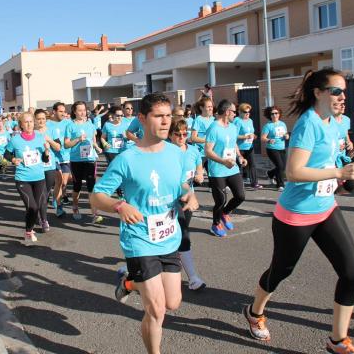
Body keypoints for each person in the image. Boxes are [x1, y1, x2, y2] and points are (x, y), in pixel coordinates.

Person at [243, 69, 354, 354]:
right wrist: (338, 170)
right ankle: (254, 311)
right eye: (336, 91)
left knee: (352, 273)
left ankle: (337, 341)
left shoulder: (335, 123)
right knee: (280, 272)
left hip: (325, 208)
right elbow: (294, 171)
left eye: (344, 91)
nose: (342, 96)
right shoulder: (308, 124)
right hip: (296, 213)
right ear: (318, 92)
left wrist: (344, 178)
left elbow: (332, 161)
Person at [90, 93, 199, 354]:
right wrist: (120, 205)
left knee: (173, 302)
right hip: (139, 240)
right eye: (158, 116)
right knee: (156, 309)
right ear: (142, 118)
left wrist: (189, 193)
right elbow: (96, 196)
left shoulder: (176, 153)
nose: (165, 122)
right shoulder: (127, 159)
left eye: (168, 116)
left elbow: (181, 183)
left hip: (169, 235)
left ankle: (130, 282)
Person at [169, 117, 205, 290]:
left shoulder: (193, 150)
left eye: (185, 134)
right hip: (170, 200)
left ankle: (136, 268)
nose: (182, 137)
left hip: (189, 198)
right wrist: (188, 193)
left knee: (177, 235)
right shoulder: (166, 152)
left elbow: (199, 166)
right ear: (170, 135)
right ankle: (193, 278)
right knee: (182, 235)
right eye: (178, 134)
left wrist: (200, 175)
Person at [4, 112, 50, 240]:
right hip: (23, 178)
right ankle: (29, 231)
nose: (29, 124)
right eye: (26, 122)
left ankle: (29, 230)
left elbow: (45, 160)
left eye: (31, 121)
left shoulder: (40, 137)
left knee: (36, 207)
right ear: (21, 125)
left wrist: (46, 150)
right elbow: (6, 155)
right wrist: (13, 160)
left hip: (39, 178)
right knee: (32, 207)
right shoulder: (15, 140)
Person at [205, 100, 247, 238]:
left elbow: (233, 143)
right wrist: (223, 161)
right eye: (234, 111)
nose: (235, 114)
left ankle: (225, 213)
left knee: (240, 196)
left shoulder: (233, 127)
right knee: (220, 200)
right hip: (217, 170)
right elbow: (208, 151)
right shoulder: (214, 128)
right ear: (227, 112)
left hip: (232, 168)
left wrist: (240, 156)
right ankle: (215, 224)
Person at [64, 101, 103, 223]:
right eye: (79, 110)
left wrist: (97, 147)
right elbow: (66, 144)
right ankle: (75, 207)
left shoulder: (90, 124)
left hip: (90, 159)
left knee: (91, 186)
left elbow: (93, 140)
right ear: (74, 111)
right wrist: (78, 139)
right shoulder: (70, 126)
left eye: (84, 110)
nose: (82, 112)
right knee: (77, 186)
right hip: (76, 160)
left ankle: (94, 213)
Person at [35, 109, 61, 232]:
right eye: (39, 118)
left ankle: (40, 213)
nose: (41, 121)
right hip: (37, 167)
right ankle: (44, 219)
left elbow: (58, 147)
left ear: (46, 119)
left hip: (50, 166)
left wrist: (49, 140)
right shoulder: (32, 132)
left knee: (46, 193)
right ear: (35, 119)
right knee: (42, 194)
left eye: (43, 118)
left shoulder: (52, 130)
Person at [49, 102, 72, 217]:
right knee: (58, 181)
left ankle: (56, 197)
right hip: (53, 157)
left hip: (66, 156)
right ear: (54, 111)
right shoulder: (48, 124)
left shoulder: (68, 123)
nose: (63, 113)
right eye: (60, 111)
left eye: (64, 111)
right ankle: (59, 207)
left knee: (64, 183)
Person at [261, 106, 290, 191]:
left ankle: (270, 173)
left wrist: (287, 136)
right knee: (280, 166)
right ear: (270, 115)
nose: (274, 115)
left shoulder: (282, 124)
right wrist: (269, 140)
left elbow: (286, 135)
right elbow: (263, 138)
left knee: (283, 167)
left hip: (282, 147)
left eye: (276, 113)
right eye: (272, 114)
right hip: (272, 148)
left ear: (279, 114)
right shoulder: (268, 126)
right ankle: (280, 185)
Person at [234, 103, 261, 189]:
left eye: (249, 112)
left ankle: (254, 183)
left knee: (252, 164)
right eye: (245, 112)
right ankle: (235, 184)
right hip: (239, 148)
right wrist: (245, 137)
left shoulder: (250, 121)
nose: (247, 114)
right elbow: (234, 135)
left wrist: (254, 136)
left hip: (249, 146)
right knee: (238, 166)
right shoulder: (237, 121)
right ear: (240, 112)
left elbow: (251, 132)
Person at [190, 97, 215, 175]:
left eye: (211, 106)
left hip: (212, 152)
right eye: (208, 107)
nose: (211, 108)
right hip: (200, 154)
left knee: (214, 176)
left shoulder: (214, 119)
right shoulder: (198, 120)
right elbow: (193, 138)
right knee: (197, 177)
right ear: (201, 108)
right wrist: (207, 140)